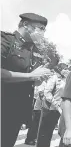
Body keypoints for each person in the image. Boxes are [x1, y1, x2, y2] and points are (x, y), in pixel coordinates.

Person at [1, 13, 53, 147]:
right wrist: (30, 76)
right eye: (39, 28)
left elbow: (29, 78)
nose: (42, 32)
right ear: (25, 25)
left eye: (43, 29)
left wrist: (37, 78)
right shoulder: (6, 40)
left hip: (16, 109)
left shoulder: (31, 49)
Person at [36, 63, 69, 147]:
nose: (66, 71)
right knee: (44, 132)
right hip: (49, 108)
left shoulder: (65, 79)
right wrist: (56, 104)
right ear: (60, 69)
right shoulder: (53, 78)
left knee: (50, 132)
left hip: (58, 109)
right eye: (65, 69)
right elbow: (47, 93)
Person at [25, 79, 47, 145]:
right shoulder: (42, 82)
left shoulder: (44, 82)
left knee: (36, 124)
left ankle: (33, 138)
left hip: (40, 106)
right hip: (38, 107)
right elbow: (41, 93)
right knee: (34, 123)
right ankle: (29, 139)